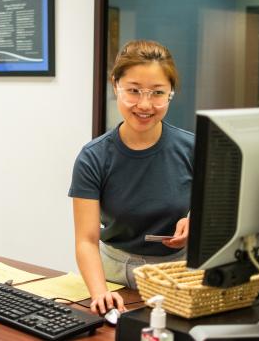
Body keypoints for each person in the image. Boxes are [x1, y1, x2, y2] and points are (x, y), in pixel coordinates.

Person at [69, 40, 194, 315]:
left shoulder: (193, 149)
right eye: (134, 91)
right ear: (116, 86)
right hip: (113, 275)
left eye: (157, 93)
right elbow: (86, 240)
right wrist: (100, 292)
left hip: (176, 275)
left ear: (171, 92)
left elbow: (220, 213)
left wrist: (196, 222)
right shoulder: (94, 157)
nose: (145, 104)